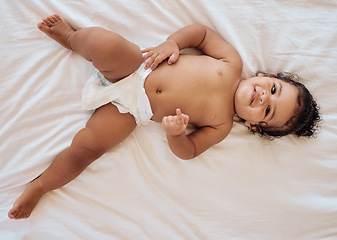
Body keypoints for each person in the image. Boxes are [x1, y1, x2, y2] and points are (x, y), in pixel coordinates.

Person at [8, 14, 320, 219]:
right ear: (266, 75)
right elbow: (200, 34)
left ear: (254, 125)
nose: (265, 97)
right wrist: (173, 43)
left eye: (267, 110)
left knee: (87, 149)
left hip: (133, 110)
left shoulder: (222, 125)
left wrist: (176, 134)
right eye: (274, 89)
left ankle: (41, 186)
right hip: (138, 66)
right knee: (105, 42)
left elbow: (190, 151)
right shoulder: (231, 62)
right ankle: (72, 39)